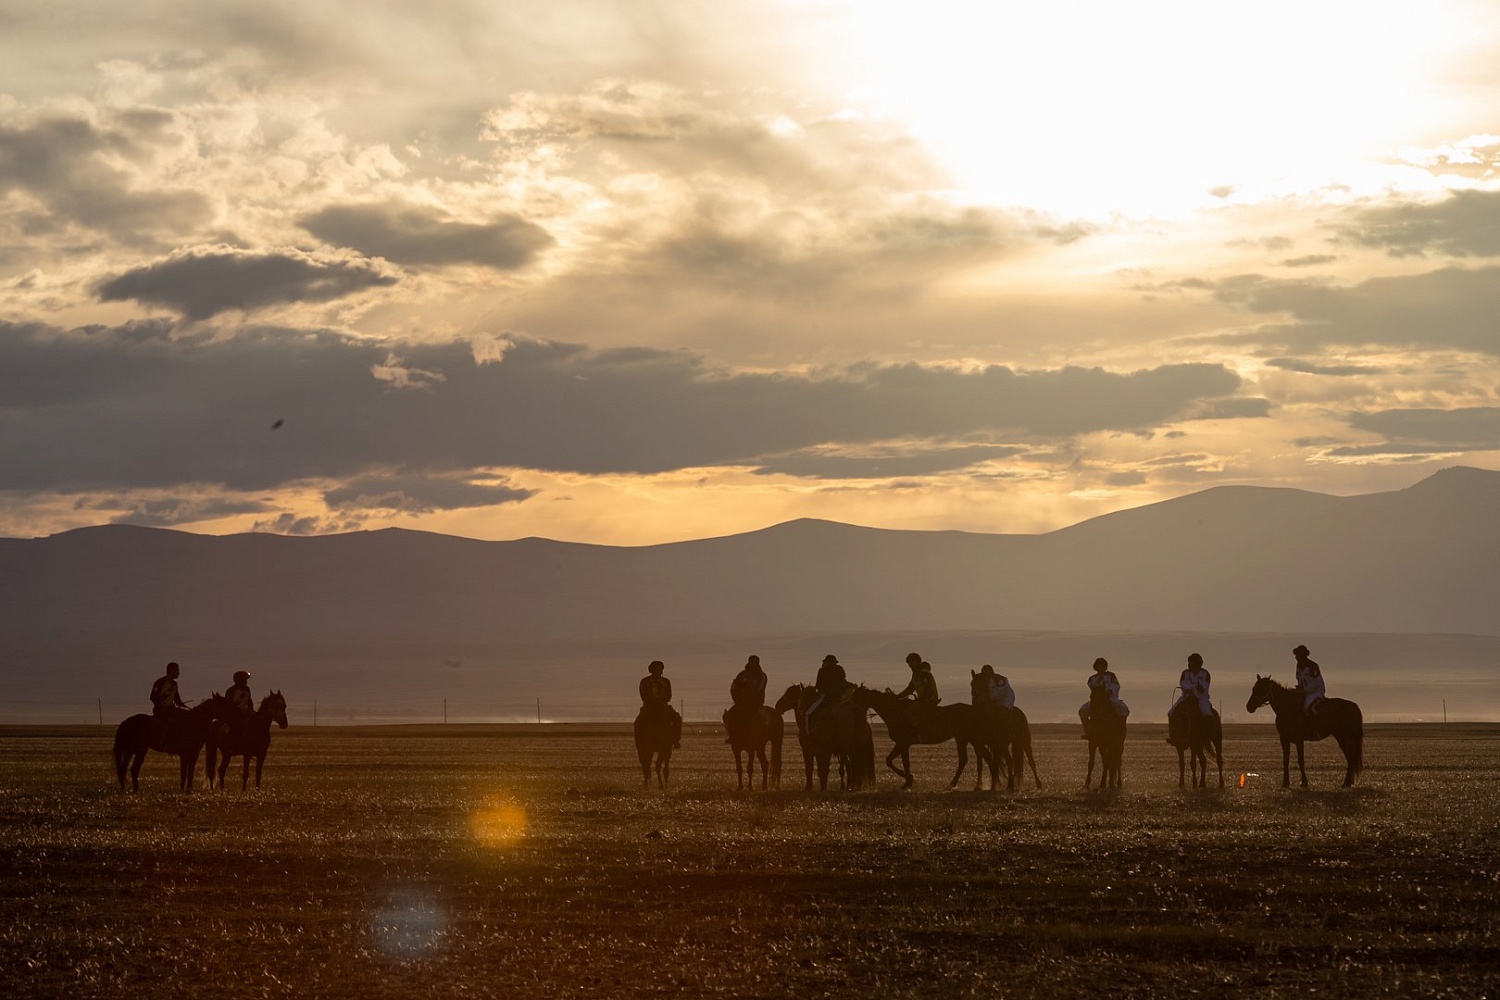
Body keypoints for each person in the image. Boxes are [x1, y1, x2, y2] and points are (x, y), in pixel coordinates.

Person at [1167, 653, 1211, 742]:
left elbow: (1204, 687)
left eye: (1193, 663)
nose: (1191, 665)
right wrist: (1191, 688)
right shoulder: (1185, 673)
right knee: (1171, 713)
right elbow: (1183, 683)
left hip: (1201, 699)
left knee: (1207, 713)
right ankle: (1173, 736)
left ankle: (1208, 734)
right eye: (1190, 662)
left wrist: (1193, 689)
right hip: (1186, 698)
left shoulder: (1205, 674)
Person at [1078, 656, 1128, 737]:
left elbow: (1116, 685)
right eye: (1099, 666)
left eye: (1102, 666)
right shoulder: (1092, 678)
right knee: (1082, 710)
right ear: (1096, 667)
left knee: (1123, 708)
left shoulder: (1111, 676)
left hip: (1110, 697)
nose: (1101, 667)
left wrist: (1110, 691)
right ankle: (1087, 731)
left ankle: (1121, 729)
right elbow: (1092, 686)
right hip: (1097, 699)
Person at [639, 660, 682, 749]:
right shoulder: (645, 682)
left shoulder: (666, 682)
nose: (659, 671)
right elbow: (643, 695)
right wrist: (651, 702)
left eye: (660, 669)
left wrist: (661, 701)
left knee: (677, 719)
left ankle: (675, 740)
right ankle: (639, 741)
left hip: (663, 706)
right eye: (656, 669)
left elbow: (668, 696)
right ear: (652, 670)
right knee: (639, 722)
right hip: (649, 707)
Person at [895, 653, 941, 734]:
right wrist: (896, 697)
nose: (910, 666)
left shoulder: (924, 673)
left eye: (910, 663)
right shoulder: (916, 674)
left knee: (908, 712)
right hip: (922, 699)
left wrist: (920, 700)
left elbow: (929, 692)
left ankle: (917, 733)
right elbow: (910, 689)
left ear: (916, 662)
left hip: (929, 700)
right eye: (909, 664)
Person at [726, 655, 768, 743]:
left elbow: (759, 688)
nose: (753, 665)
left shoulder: (761, 676)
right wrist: (736, 698)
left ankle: (762, 733)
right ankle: (731, 735)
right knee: (730, 715)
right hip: (741, 702)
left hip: (756, 702)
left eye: (755, 663)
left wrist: (749, 696)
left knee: (756, 716)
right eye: (752, 662)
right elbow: (734, 687)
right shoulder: (742, 674)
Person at [805, 654, 848, 730]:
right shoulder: (840, 670)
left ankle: (808, 731)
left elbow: (818, 685)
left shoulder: (822, 670)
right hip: (839, 697)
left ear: (826, 662)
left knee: (808, 713)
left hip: (825, 697)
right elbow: (843, 683)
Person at [149, 661, 187, 741]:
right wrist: (161, 707)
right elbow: (153, 697)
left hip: (171, 709)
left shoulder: (174, 684)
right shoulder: (160, 683)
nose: (179, 673)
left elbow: (176, 698)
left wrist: (181, 703)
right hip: (160, 710)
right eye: (177, 670)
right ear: (171, 671)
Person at [1293, 644, 1326, 715]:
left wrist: (1305, 690)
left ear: (1303, 655)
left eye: (1298, 655)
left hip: (1315, 692)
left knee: (1307, 706)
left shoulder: (1313, 666)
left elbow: (1317, 683)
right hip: (1304, 692)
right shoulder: (1298, 666)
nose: (1296, 657)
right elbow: (1299, 679)